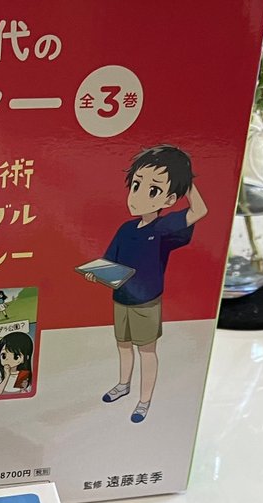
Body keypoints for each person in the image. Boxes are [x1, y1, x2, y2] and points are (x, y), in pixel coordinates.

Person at [83, 144, 207, 425]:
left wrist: (186, 180)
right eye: (136, 185)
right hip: (121, 297)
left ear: (169, 198)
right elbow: (108, 263)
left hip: (146, 301)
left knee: (147, 350)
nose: (138, 196)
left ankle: (144, 401)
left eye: (152, 190)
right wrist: (96, 274)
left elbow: (199, 210)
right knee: (123, 345)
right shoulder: (126, 229)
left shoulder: (164, 228)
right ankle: (123, 385)